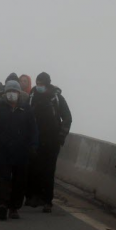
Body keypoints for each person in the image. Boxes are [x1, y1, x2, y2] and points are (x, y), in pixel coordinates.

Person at [0, 80, 38, 221]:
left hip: (22, 152)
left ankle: (14, 207)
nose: (11, 94)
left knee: (19, 181)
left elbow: (33, 130)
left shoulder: (26, 109)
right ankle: (2, 204)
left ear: (19, 93)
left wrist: (33, 146)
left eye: (14, 92)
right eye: (9, 92)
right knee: (3, 179)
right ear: (5, 93)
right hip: (3, 151)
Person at [27, 72, 73, 212]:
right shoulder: (32, 96)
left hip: (52, 141)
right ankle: (33, 196)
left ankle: (47, 200)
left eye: (42, 83)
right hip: (35, 139)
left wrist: (60, 136)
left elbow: (67, 118)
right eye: (38, 83)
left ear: (47, 84)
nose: (39, 86)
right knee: (33, 169)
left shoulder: (56, 98)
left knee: (48, 170)